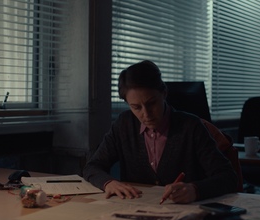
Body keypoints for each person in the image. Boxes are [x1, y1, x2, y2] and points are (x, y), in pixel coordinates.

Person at [83, 60, 238, 204]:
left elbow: (228, 178)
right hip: (135, 211)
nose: (146, 114)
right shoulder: (124, 125)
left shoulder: (191, 127)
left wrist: (195, 190)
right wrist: (109, 183)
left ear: (164, 93)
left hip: (185, 214)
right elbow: (92, 167)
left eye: (151, 103)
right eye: (136, 107)